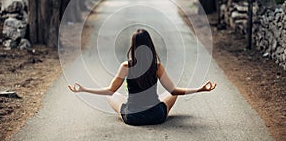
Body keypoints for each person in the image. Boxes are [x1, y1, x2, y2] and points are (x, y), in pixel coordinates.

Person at [68, 29, 217, 126]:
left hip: (133, 118)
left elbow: (109, 90)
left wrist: (84, 89)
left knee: (112, 95)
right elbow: (174, 90)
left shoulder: (126, 67)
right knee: (172, 93)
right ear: (150, 46)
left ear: (133, 46)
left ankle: (131, 107)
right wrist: (200, 89)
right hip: (156, 116)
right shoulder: (157, 67)